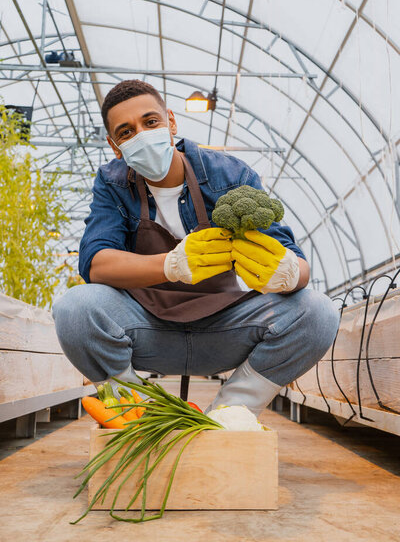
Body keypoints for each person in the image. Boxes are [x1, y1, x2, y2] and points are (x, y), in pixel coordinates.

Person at [52, 79, 340, 415]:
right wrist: (170, 265)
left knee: (318, 313)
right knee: (74, 309)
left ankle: (231, 413)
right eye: (126, 132)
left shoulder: (230, 174)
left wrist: (287, 272)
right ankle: (137, 412)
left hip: (227, 328)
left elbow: (300, 265)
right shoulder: (113, 182)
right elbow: (95, 263)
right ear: (115, 146)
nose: (142, 135)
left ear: (171, 122)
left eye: (150, 122)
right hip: (147, 329)